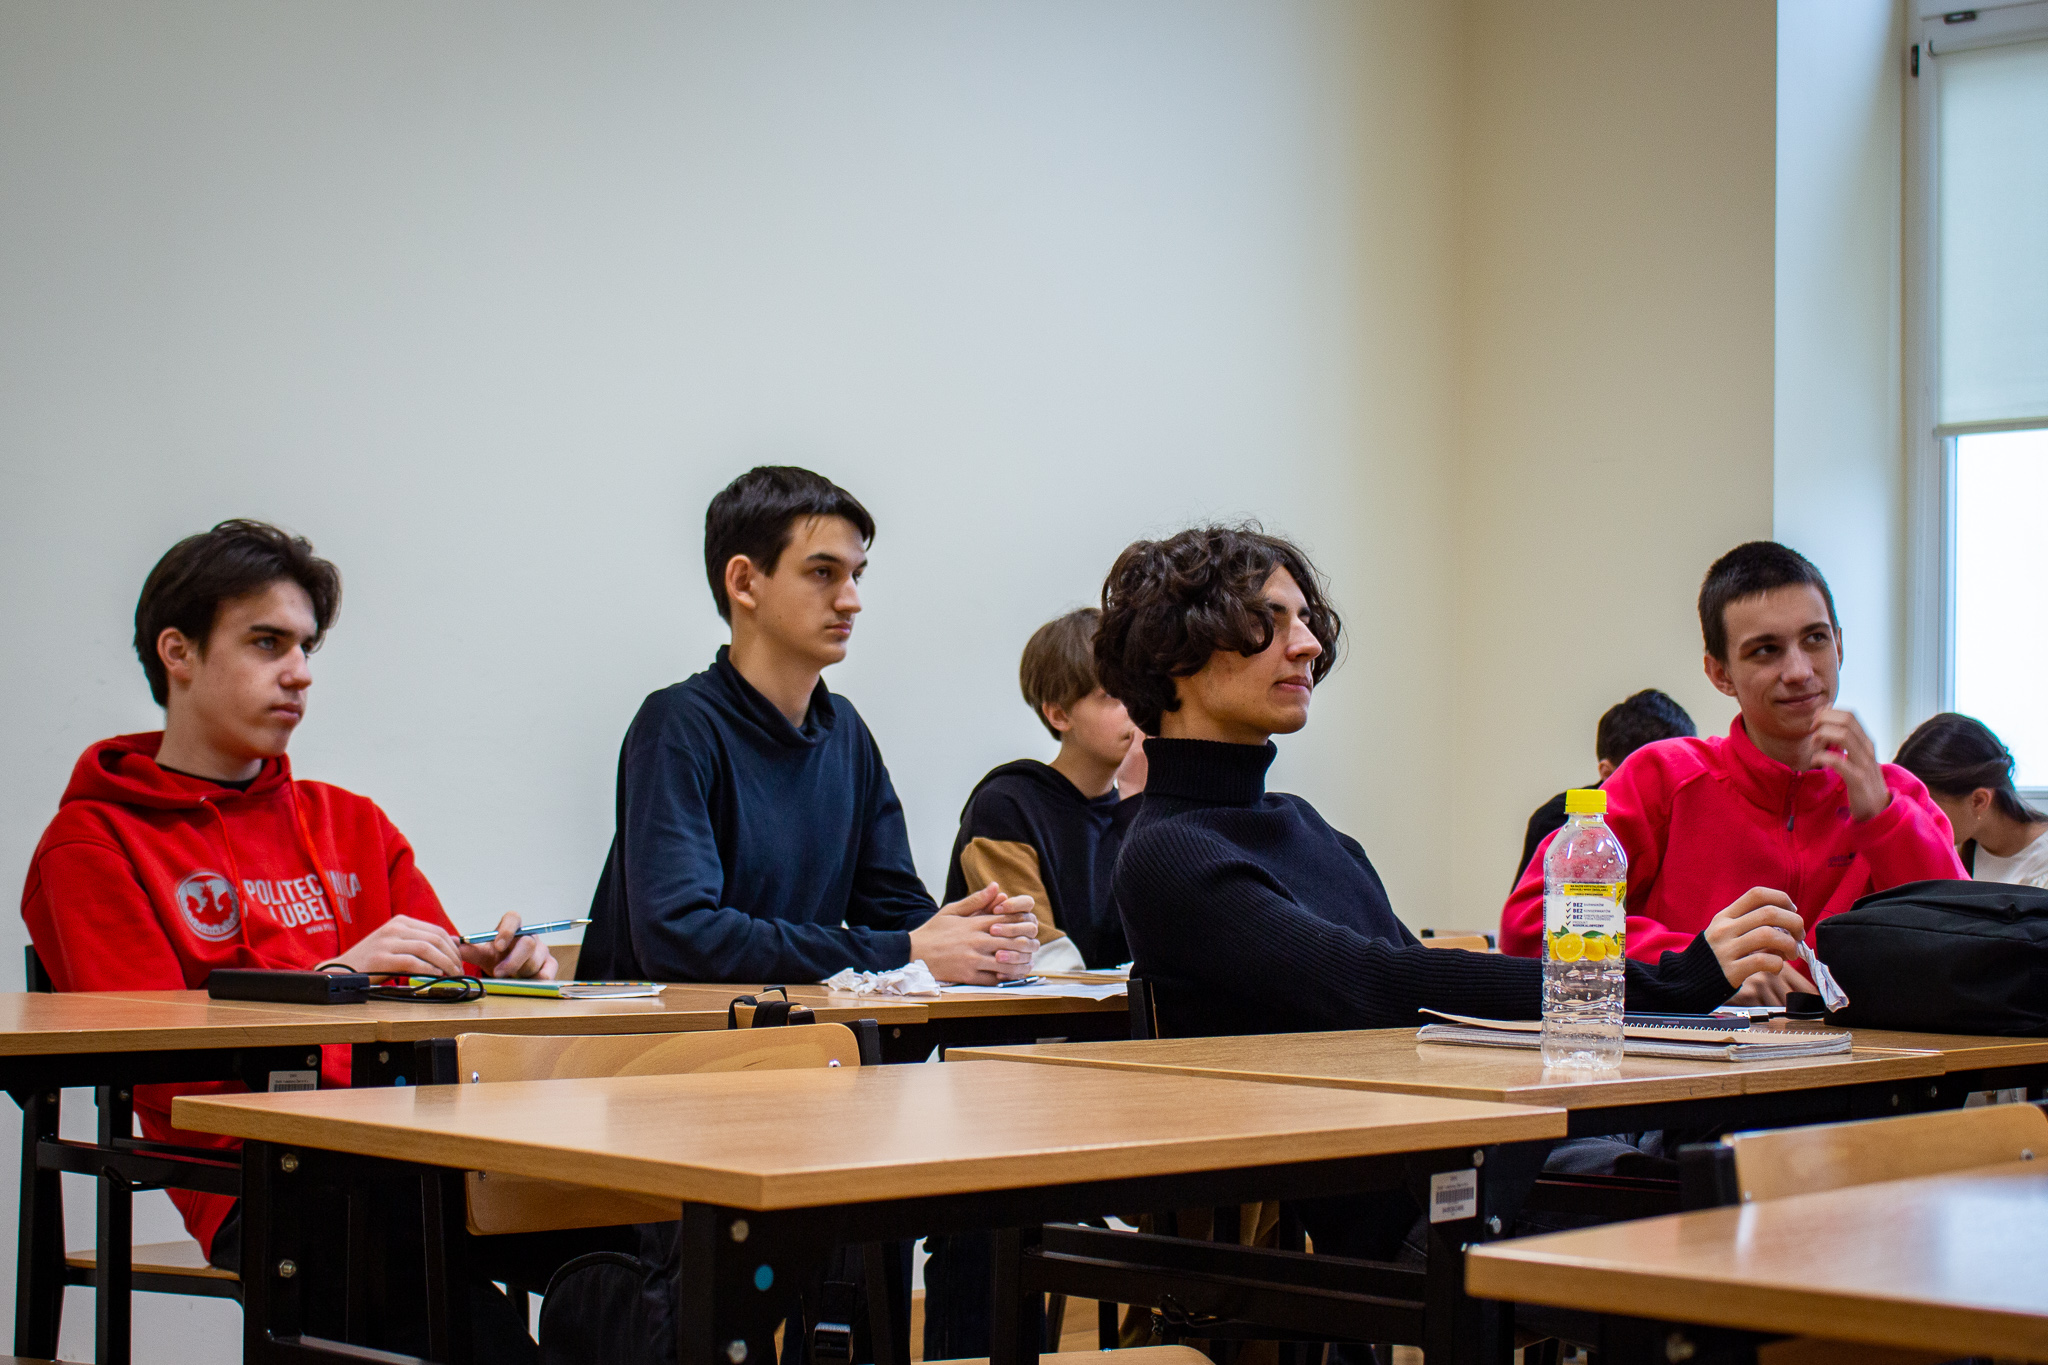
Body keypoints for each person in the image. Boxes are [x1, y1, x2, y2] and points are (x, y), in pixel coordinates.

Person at [1095, 523, 1807, 1269]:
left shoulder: (1304, 826)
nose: (1306, 645)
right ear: (1174, 653)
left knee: (1778, 1167)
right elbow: (1379, 985)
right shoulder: (1168, 851)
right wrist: (1669, 983)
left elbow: (1439, 1006)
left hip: (1481, 1154)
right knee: (1746, 1224)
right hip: (1421, 1208)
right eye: (1268, 622)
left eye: (1304, 619)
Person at [18, 520, 556, 1353]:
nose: (300, 671)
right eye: (267, 642)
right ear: (178, 652)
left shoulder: (355, 823)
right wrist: (330, 975)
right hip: (261, 1172)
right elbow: (149, 1052)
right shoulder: (91, 845)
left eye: (307, 646)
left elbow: (437, 1003)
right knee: (477, 1332)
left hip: (417, 1149)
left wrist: (491, 970)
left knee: (649, 1233)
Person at [579, 466, 1038, 983]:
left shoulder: (846, 732)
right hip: (666, 1033)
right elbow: (680, 937)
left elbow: (893, 911)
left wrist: (977, 936)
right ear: (744, 582)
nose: (851, 600)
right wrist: (906, 949)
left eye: (856, 575)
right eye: (823, 573)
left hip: (797, 1027)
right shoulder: (676, 725)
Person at [1499, 541, 1964, 1000]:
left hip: (1861, 1050)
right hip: (1683, 1050)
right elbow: (1530, 925)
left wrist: (1883, 820)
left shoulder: (1896, 796)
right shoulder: (1661, 778)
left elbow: (1967, 951)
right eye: (1765, 650)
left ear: (1839, 646)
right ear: (1720, 674)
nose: (1799, 670)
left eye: (1815, 639)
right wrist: (1701, 968)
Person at [942, 607, 1146, 972]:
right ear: (1059, 715)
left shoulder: (1135, 808)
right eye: (1113, 696)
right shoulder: (1006, 806)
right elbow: (1041, 959)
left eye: (1140, 691)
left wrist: (1142, 802)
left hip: (1114, 1008)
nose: (1136, 711)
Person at [1513, 689, 1697, 884]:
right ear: (1608, 774)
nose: (1671, 789)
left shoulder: (1696, 813)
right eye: (1655, 779)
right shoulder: (1559, 823)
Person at [1896, 713, 2048, 887]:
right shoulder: (1960, 852)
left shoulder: (2042, 865)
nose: (1917, 819)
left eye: (1928, 807)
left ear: (1979, 800)